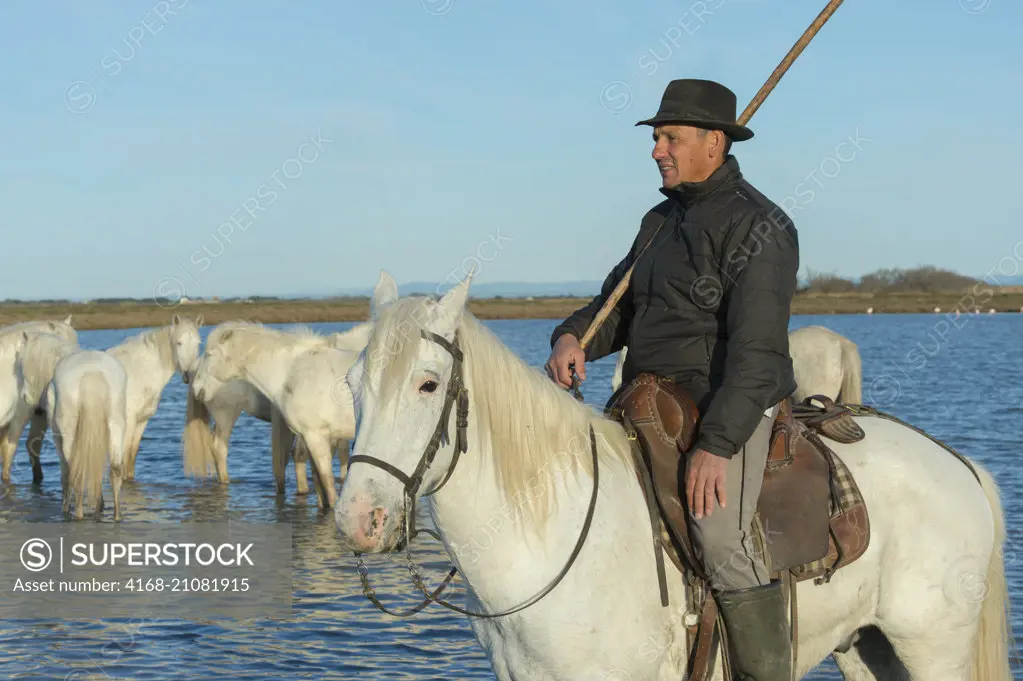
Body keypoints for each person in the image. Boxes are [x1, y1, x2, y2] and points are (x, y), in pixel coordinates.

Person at [544, 78, 799, 681]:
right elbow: (616, 308)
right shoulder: (658, 221)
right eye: (656, 136)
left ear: (715, 142)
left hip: (729, 404)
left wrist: (717, 444)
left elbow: (759, 356)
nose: (656, 149)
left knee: (718, 537)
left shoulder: (761, 227)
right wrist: (571, 337)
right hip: (648, 399)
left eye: (670, 137)